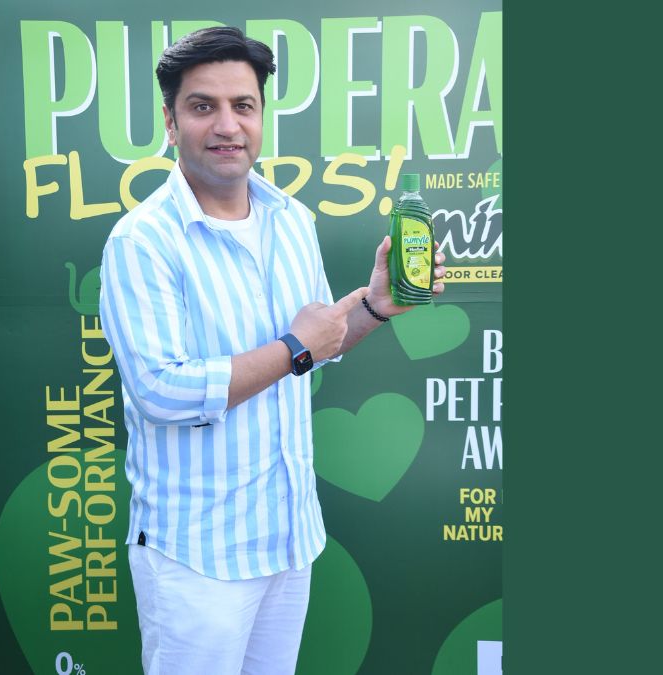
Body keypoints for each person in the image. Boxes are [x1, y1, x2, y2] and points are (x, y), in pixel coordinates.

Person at [98, 26, 447, 675]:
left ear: (262, 117)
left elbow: (317, 346)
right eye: (203, 106)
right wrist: (294, 347)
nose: (227, 125)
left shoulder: (291, 220)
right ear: (170, 122)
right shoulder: (142, 241)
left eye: (244, 105)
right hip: (196, 556)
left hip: (286, 540)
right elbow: (160, 391)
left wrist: (374, 306)